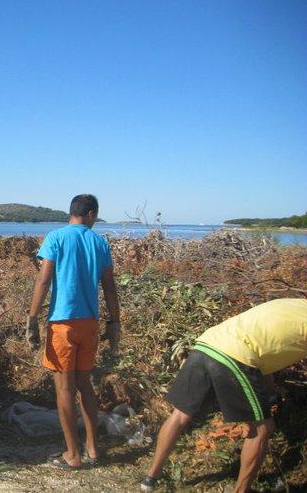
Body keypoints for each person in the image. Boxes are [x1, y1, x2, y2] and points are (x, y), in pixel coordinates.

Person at [140, 298, 307, 493]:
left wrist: (270, 394)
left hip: (207, 343)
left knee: (180, 415)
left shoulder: (293, 305)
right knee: (263, 429)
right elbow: (253, 355)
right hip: (235, 356)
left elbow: (263, 351)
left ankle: (150, 478)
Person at [26, 194, 120, 469]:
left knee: (64, 389)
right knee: (85, 385)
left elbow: (44, 280)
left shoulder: (55, 238)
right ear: (89, 213)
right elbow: (110, 287)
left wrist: (32, 317)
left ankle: (73, 455)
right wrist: (115, 322)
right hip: (89, 323)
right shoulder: (99, 242)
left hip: (62, 324)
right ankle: (92, 448)